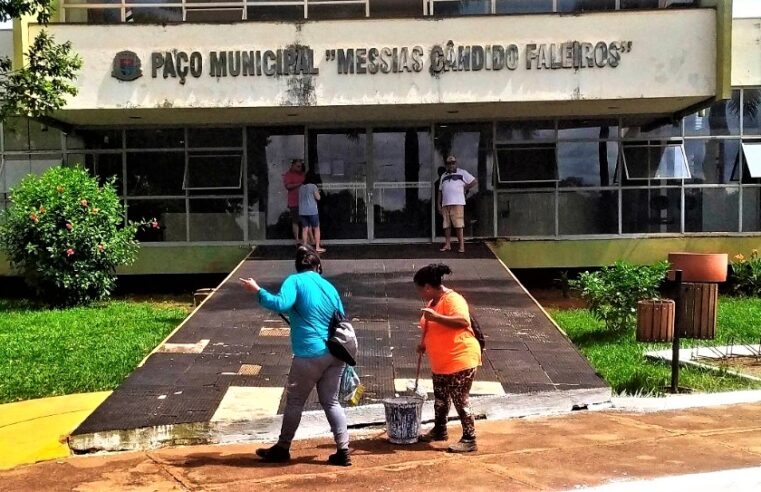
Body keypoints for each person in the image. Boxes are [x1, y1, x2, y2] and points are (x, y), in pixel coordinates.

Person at [239, 245, 350, 466]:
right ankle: (343, 450)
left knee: (295, 401)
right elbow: (342, 317)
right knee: (331, 401)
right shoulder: (329, 286)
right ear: (318, 266)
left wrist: (257, 290)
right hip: (336, 352)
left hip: (309, 353)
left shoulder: (294, 281)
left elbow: (281, 303)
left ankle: (283, 447)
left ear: (298, 266)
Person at [414, 263, 481, 453]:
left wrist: (436, 317)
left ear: (427, 286)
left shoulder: (452, 299)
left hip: (460, 358)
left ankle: (470, 438)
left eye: (420, 290)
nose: (420, 294)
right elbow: (433, 328)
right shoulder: (432, 303)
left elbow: (462, 321)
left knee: (460, 399)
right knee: (441, 399)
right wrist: (424, 344)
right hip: (441, 363)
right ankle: (440, 429)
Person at [438, 155, 477, 253]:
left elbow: (474, 181)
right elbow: (440, 191)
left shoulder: (462, 172)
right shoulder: (443, 176)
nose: (451, 165)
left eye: (453, 163)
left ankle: (462, 246)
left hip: (457, 203)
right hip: (445, 203)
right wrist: (438, 204)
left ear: (456, 163)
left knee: (458, 225)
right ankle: (447, 244)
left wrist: (464, 188)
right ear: (446, 165)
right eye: (449, 163)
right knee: (446, 225)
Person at [298, 172, 325, 254]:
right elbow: (318, 198)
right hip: (312, 210)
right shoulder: (313, 186)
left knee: (304, 229)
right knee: (316, 228)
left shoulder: (301, 187)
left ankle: (305, 246)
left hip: (302, 210)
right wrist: (318, 193)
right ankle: (317, 247)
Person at [282, 159, 305, 243]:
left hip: (304, 201)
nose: (299, 168)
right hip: (294, 201)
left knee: (305, 220)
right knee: (295, 221)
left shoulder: (303, 174)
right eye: (298, 166)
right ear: (293, 165)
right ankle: (297, 240)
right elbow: (288, 186)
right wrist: (299, 184)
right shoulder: (288, 175)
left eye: (300, 166)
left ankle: (306, 239)